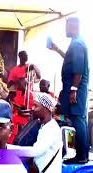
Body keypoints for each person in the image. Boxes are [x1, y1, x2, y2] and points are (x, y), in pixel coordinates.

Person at [49, 17, 89, 164]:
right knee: (78, 120)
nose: (65, 30)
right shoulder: (75, 43)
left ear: (73, 27)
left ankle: (82, 156)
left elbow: (78, 69)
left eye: (67, 27)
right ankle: (81, 155)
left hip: (76, 89)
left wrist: (73, 90)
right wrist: (57, 49)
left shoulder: (77, 44)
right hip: (74, 88)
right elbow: (70, 60)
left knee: (78, 120)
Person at [19, 92, 62, 173]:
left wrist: (10, 150)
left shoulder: (51, 129)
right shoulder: (44, 125)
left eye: (36, 106)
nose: (33, 108)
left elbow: (35, 151)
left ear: (46, 108)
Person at [8, 77, 34, 144]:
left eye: (20, 85)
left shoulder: (29, 95)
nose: (18, 86)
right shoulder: (18, 92)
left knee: (13, 119)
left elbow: (29, 110)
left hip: (24, 117)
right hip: (17, 113)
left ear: (25, 85)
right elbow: (15, 103)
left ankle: (11, 141)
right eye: (18, 84)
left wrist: (20, 109)